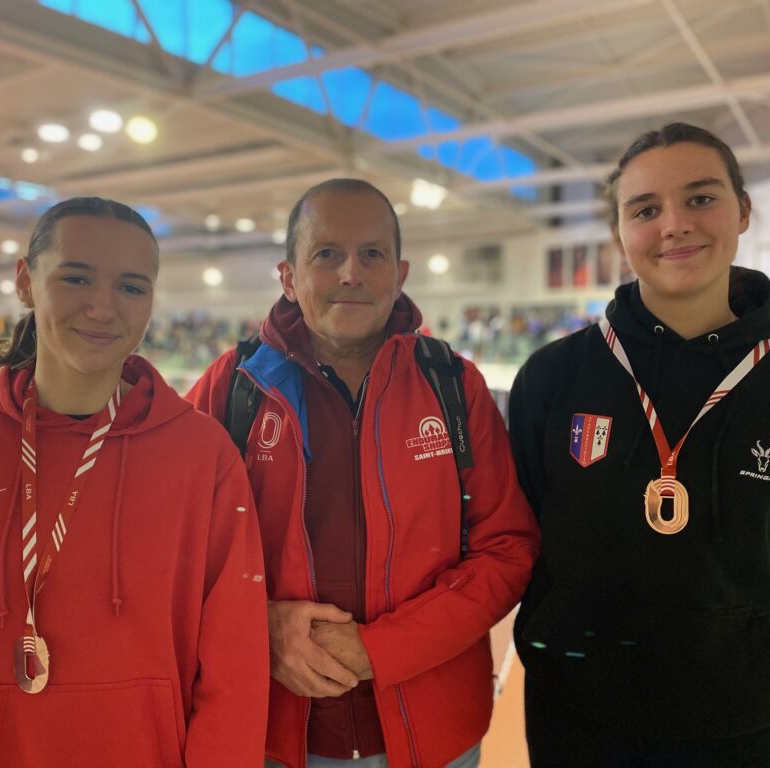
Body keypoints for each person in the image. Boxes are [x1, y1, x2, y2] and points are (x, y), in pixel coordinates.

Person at [0, 197, 269, 767]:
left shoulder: (203, 453)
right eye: (76, 277)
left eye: (132, 287)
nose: (102, 307)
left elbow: (234, 645)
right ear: (25, 281)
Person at [508, 123, 770, 768]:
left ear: (742, 211)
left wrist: (747, 647)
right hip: (575, 712)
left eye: (700, 198)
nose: (674, 225)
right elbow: (522, 533)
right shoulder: (554, 377)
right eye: (645, 209)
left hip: (736, 718)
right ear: (620, 231)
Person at [188, 178, 540, 768]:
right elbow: (181, 553)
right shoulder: (233, 388)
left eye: (371, 253)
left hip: (436, 737)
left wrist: (381, 649)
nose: (351, 272)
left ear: (399, 274)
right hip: (274, 734)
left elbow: (506, 549)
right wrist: (260, 628)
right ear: (289, 276)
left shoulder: (453, 385)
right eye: (326, 253)